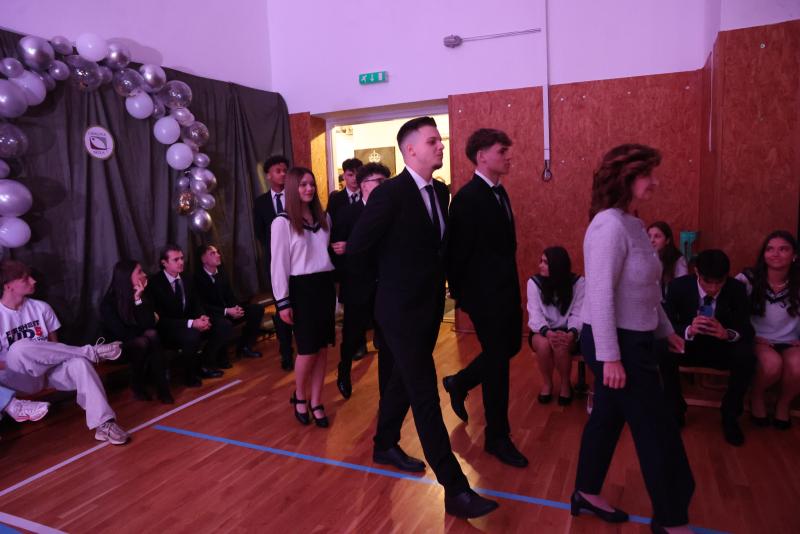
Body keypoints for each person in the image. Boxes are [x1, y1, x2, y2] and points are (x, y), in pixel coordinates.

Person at [348, 117, 498, 519]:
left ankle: (384, 443)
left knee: (401, 379)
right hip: (399, 312)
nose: (441, 146)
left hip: (429, 309)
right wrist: (384, 292)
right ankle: (455, 488)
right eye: (433, 141)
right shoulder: (389, 194)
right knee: (424, 394)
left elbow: (436, 249)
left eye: (440, 141)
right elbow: (358, 247)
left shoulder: (440, 191)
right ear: (410, 149)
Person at [572, 144, 694, 533]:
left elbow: (644, 289)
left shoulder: (632, 223)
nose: (655, 182)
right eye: (647, 174)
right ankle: (672, 519)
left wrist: (665, 330)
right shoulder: (608, 226)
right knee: (656, 428)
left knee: (607, 418)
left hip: (633, 339)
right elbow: (600, 295)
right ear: (625, 178)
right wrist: (611, 357)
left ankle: (586, 491)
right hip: (615, 343)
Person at [443, 128, 527, 468]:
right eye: (501, 151)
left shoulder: (499, 192)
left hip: (505, 292)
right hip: (485, 299)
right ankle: (497, 437)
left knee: (510, 348)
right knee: (498, 363)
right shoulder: (467, 199)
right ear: (481, 156)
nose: (508, 156)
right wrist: (466, 299)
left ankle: (459, 382)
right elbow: (456, 255)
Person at [0, 260, 129, 445]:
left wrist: (40, 361)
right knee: (19, 349)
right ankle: (90, 351)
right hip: (18, 378)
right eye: (25, 279)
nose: (33, 281)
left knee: (79, 364)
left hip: (48, 372)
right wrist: (26, 360)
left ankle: (104, 424)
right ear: (8, 286)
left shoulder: (41, 308)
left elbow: (55, 347)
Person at [660, 249, 755, 445]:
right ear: (697, 272)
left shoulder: (736, 289)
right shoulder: (679, 286)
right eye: (707, 282)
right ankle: (675, 410)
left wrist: (727, 333)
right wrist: (688, 330)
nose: (713, 288)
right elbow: (665, 324)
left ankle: (730, 415)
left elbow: (747, 329)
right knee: (663, 350)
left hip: (721, 348)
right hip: (689, 345)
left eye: (719, 282)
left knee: (747, 356)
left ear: (726, 276)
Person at [271, 166, 336, 428]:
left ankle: (317, 401)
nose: (309, 188)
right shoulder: (282, 222)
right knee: (307, 350)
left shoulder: (324, 218)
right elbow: (278, 265)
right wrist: (282, 301)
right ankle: (299, 395)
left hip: (324, 286)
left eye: (311, 184)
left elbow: (324, 254)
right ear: (292, 188)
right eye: (303, 184)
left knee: (322, 349)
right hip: (301, 289)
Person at [331, 162, 390, 399]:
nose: (384, 186)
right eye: (379, 182)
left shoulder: (390, 212)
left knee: (386, 340)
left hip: (385, 285)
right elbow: (336, 251)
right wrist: (349, 250)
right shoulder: (347, 214)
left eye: (386, 181)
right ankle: (344, 370)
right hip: (357, 285)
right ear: (364, 185)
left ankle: (386, 392)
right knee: (352, 336)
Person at [736, 230, 800, 429]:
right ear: (763, 254)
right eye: (770, 249)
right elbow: (731, 310)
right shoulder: (747, 278)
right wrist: (750, 335)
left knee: (798, 367)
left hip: (790, 340)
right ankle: (756, 396)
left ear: (794, 255)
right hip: (758, 338)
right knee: (772, 365)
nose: (775, 254)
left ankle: (783, 403)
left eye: (783, 249)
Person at [146, 244, 228, 387]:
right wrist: (191, 323)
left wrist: (202, 317)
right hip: (170, 328)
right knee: (192, 335)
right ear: (164, 263)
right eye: (176, 260)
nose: (181, 262)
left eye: (182, 258)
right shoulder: (154, 283)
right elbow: (160, 320)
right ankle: (189, 376)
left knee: (223, 325)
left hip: (190, 322)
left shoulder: (187, 277)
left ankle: (205, 364)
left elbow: (196, 302)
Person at [100, 260, 173, 404]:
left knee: (151, 335)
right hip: (117, 349)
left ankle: (162, 388)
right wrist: (141, 329)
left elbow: (150, 324)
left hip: (141, 341)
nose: (144, 274)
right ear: (127, 277)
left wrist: (138, 300)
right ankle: (140, 385)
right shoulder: (108, 303)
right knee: (144, 340)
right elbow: (121, 334)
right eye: (139, 272)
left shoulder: (143, 294)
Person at [527, 246, 585, 405]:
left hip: (570, 331)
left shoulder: (579, 283)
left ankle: (565, 384)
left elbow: (579, 313)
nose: (540, 265)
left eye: (545, 262)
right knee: (544, 345)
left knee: (561, 345)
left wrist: (571, 333)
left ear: (557, 265)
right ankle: (547, 383)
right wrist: (547, 332)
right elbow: (535, 314)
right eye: (541, 261)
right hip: (542, 331)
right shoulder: (534, 283)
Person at [253, 155, 295, 371]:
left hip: (297, 262)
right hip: (274, 264)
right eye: (278, 171)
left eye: (285, 170)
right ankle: (286, 352)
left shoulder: (296, 197)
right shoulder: (261, 202)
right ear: (268, 175)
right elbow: (260, 233)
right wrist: (276, 250)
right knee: (281, 307)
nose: (283, 174)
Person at [194, 244, 265, 359]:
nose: (218, 255)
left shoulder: (221, 272)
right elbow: (204, 306)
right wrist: (226, 311)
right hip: (213, 315)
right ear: (203, 259)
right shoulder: (197, 278)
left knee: (257, 309)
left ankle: (245, 347)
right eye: (213, 253)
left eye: (217, 252)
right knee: (224, 324)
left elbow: (230, 295)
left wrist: (236, 308)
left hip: (228, 311)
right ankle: (214, 358)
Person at [647, 221, 689, 299]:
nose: (651, 240)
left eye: (657, 236)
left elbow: (682, 288)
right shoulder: (643, 258)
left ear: (667, 240)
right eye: (649, 236)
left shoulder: (677, 259)